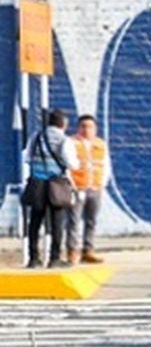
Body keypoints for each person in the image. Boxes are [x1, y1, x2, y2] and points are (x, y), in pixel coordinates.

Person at [21, 109, 79, 268]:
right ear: (63, 124)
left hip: (37, 183)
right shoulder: (65, 140)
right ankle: (54, 258)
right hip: (56, 184)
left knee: (35, 221)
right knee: (56, 223)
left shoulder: (36, 137)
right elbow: (72, 163)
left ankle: (34, 258)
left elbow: (26, 157)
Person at [66, 114, 109, 265]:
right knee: (74, 220)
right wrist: (72, 185)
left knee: (91, 221)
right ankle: (72, 251)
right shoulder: (71, 143)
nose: (86, 129)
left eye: (90, 126)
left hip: (95, 187)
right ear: (78, 128)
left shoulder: (101, 144)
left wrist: (102, 183)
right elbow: (67, 167)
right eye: (83, 126)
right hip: (77, 188)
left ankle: (88, 250)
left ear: (95, 129)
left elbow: (105, 164)